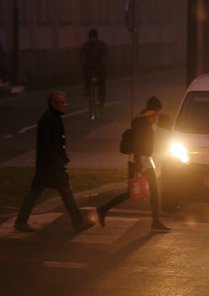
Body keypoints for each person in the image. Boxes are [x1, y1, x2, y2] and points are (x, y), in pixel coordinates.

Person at [14, 91, 94, 233]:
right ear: (53, 104)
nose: (65, 105)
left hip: (48, 166)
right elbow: (47, 144)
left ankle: (21, 221)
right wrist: (59, 161)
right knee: (63, 192)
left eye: (65, 102)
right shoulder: (49, 120)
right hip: (50, 166)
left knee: (38, 193)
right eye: (61, 103)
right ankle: (78, 222)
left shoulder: (54, 118)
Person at [96, 96, 171, 233]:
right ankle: (155, 223)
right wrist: (139, 165)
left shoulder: (144, 119)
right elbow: (136, 143)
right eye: (157, 112)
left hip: (140, 159)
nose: (157, 115)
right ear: (154, 110)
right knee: (154, 190)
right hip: (141, 160)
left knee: (130, 192)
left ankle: (103, 209)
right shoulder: (143, 121)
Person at [80, 28, 107, 108]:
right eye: (91, 37)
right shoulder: (86, 46)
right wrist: (83, 65)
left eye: (93, 37)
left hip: (99, 67)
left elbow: (105, 56)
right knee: (86, 75)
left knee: (102, 83)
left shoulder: (102, 45)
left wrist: (103, 65)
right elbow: (82, 56)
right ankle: (87, 89)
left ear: (96, 37)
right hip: (89, 67)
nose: (92, 38)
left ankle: (101, 100)